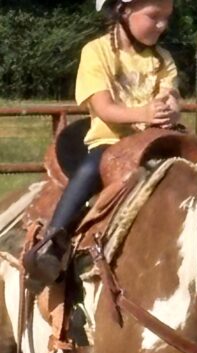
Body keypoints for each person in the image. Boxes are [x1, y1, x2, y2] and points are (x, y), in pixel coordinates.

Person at [23, 0, 180, 291]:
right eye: (154, 16)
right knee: (92, 168)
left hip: (156, 143)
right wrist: (143, 114)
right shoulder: (96, 53)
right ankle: (52, 243)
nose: (162, 25)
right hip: (112, 142)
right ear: (123, 10)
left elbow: (169, 95)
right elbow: (104, 108)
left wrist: (170, 110)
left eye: (166, 17)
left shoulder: (163, 59)